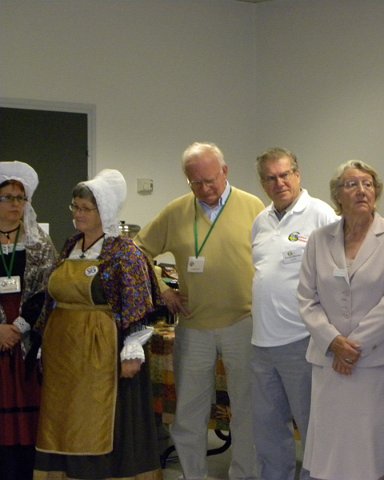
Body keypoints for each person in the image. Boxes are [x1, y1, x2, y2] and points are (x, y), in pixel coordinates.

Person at [135, 142, 263, 480]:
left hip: (244, 322)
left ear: (225, 171)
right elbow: (138, 251)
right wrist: (162, 289)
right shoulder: (176, 211)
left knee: (247, 409)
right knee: (189, 410)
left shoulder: (253, 206)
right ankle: (194, 475)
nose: (205, 189)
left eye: (211, 180)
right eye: (196, 183)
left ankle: (246, 475)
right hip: (194, 325)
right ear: (187, 180)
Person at [298, 160, 384, 480]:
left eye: (368, 184)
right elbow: (307, 298)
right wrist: (333, 342)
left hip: (380, 362)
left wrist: (353, 346)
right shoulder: (319, 239)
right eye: (352, 184)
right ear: (337, 195)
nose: (361, 190)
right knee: (335, 450)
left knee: (376, 450)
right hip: (331, 362)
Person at [33, 169, 162, 479]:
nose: (77, 214)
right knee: (65, 416)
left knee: (97, 415)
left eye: (85, 209)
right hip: (64, 352)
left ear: (103, 211)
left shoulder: (124, 252)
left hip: (101, 351)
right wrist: (42, 339)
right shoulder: (71, 245)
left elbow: (138, 302)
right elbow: (52, 296)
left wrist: (132, 349)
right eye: (75, 207)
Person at [251, 147, 337, 480]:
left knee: (314, 428)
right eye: (271, 178)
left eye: (285, 175)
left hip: (302, 340)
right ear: (263, 183)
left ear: (298, 175)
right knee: (268, 432)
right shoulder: (260, 221)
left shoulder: (320, 214)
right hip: (262, 343)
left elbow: (339, 275)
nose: (279, 183)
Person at [0, 161, 56, 480]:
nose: (15, 204)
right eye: (8, 197)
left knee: (27, 422)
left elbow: (47, 290)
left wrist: (18, 327)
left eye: (20, 198)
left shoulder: (38, 242)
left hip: (25, 338)